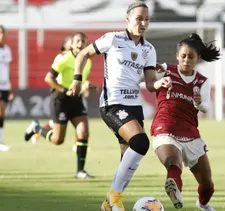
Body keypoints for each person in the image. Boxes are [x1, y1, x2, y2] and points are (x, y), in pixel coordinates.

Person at [67, 1, 172, 211]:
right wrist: (77, 78)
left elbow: (150, 83)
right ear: (128, 19)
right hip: (112, 104)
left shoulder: (148, 50)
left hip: (134, 106)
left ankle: (109, 203)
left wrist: (159, 83)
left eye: (147, 19)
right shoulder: (113, 38)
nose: (143, 23)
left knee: (127, 161)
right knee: (141, 143)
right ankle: (113, 198)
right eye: (139, 18)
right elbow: (83, 54)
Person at [151, 33, 220, 211]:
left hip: (190, 133)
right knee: (174, 161)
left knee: (207, 185)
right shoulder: (166, 70)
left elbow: (205, 107)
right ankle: (175, 191)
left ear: (198, 58)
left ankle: (202, 204)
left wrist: (198, 103)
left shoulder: (202, 81)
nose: (186, 60)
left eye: (191, 57)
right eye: (183, 56)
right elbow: (146, 79)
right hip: (164, 127)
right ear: (177, 56)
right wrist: (156, 79)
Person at [24, 32, 95, 179]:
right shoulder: (64, 58)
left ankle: (80, 171)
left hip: (76, 100)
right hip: (61, 100)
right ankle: (36, 128)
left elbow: (82, 81)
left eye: (83, 41)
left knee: (83, 132)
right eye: (77, 40)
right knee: (57, 140)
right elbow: (49, 78)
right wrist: (64, 90)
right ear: (72, 43)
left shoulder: (88, 61)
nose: (80, 43)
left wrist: (88, 86)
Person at [0, 25, 14, 152]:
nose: (1, 35)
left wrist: (10, 87)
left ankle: (0, 141)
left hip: (4, 86)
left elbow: (7, 70)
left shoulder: (7, 50)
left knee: (2, 113)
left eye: (3, 32)